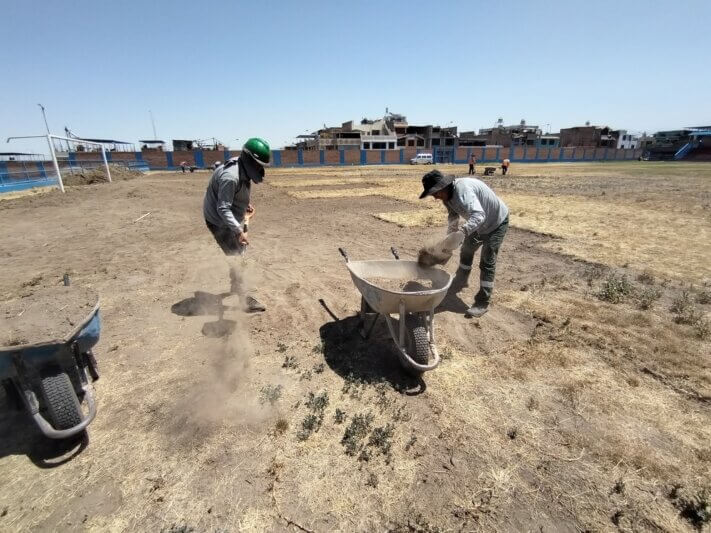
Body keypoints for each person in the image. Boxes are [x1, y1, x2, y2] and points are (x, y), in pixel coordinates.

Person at [419, 170, 509, 318]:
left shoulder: (463, 191)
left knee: (487, 260)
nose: (435, 197)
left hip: (496, 223)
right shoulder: (447, 198)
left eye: (435, 192)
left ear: (443, 187)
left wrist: (462, 233)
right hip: (478, 224)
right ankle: (460, 281)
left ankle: (482, 303)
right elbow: (453, 218)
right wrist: (448, 242)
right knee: (466, 251)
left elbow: (479, 215)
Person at [203, 138, 271, 312]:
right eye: (258, 165)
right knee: (237, 258)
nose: (260, 169)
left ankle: (235, 285)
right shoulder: (230, 177)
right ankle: (244, 300)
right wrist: (239, 230)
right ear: (248, 161)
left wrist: (243, 204)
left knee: (238, 252)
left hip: (229, 216)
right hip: (218, 220)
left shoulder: (242, 169)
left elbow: (235, 193)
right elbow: (222, 208)